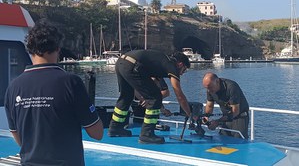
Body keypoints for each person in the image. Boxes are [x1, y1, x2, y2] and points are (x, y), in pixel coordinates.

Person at [4, 20, 103, 166]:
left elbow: (17, 135)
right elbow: (97, 133)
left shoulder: (13, 87)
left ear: (29, 49)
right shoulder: (71, 82)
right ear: (58, 48)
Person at [108, 49, 192, 144]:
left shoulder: (161, 61)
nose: (181, 73)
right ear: (180, 64)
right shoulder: (171, 65)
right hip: (133, 65)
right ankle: (146, 135)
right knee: (155, 97)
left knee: (126, 96)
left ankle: (115, 128)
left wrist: (161, 108)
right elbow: (179, 94)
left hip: (121, 62)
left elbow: (151, 84)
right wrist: (190, 114)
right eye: (184, 70)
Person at [202, 72, 249, 139]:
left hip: (239, 117)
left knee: (239, 141)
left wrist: (217, 122)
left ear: (217, 81)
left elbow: (235, 111)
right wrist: (206, 118)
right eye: (207, 88)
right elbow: (209, 105)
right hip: (226, 117)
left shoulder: (231, 87)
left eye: (210, 87)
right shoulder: (210, 90)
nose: (209, 90)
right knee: (223, 139)